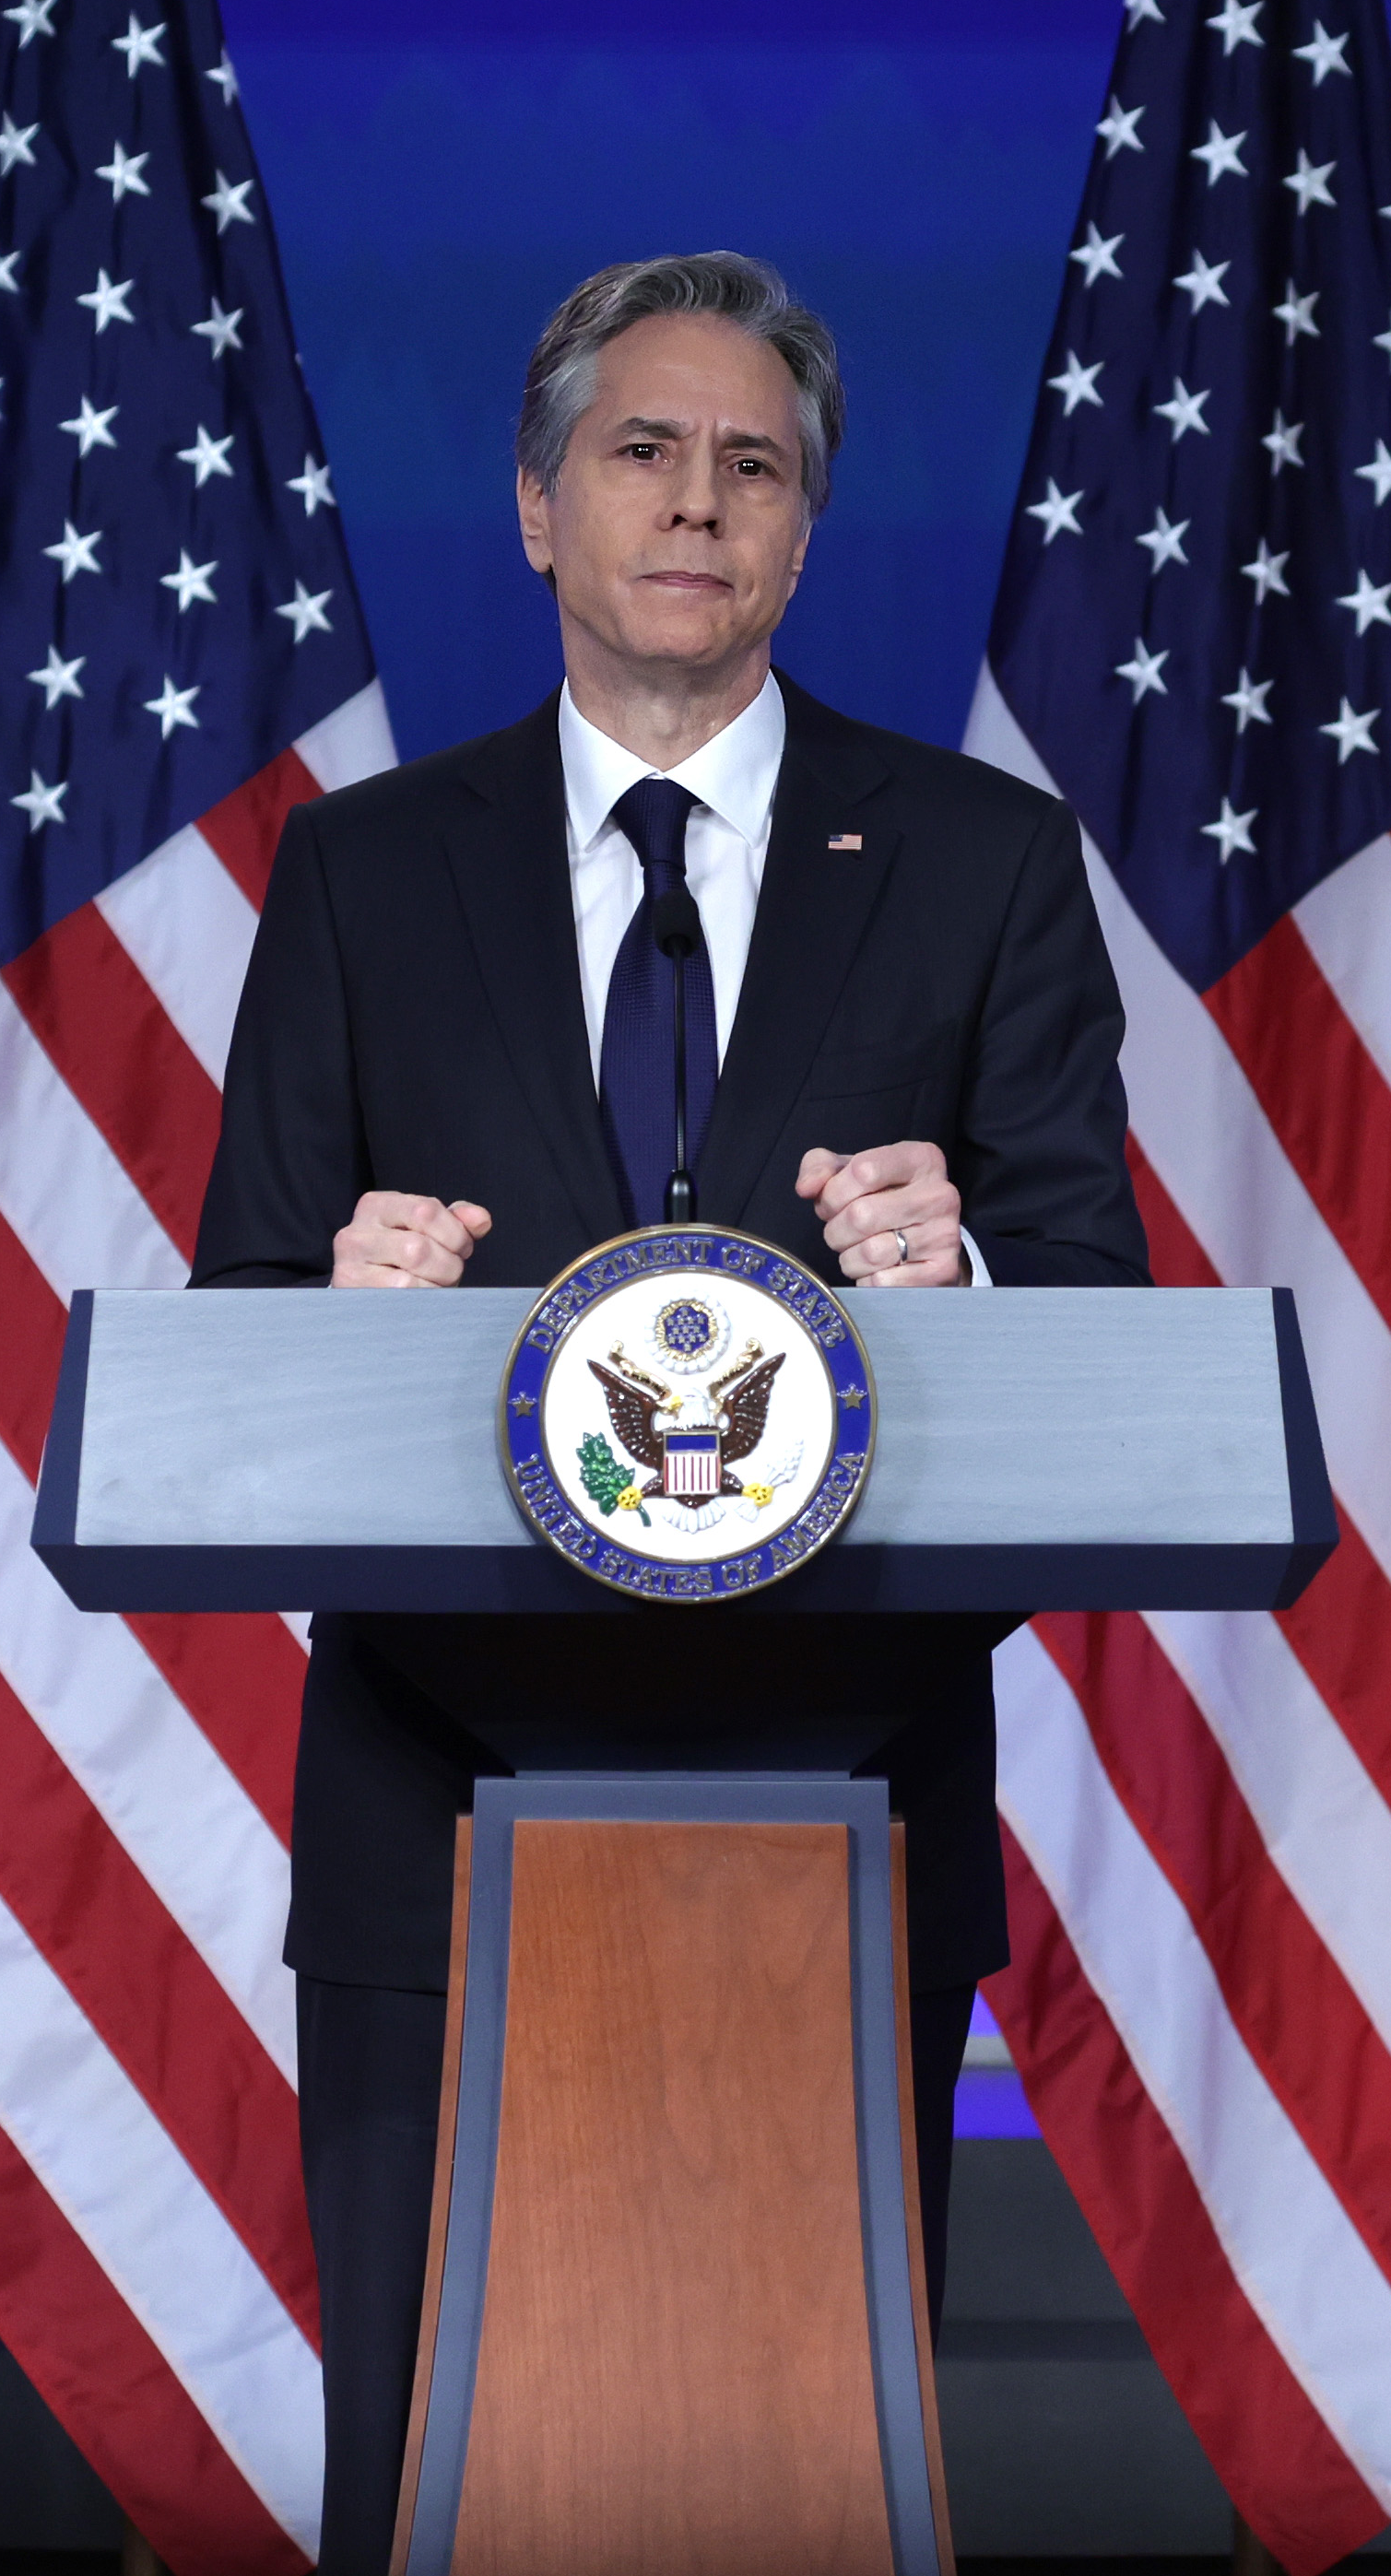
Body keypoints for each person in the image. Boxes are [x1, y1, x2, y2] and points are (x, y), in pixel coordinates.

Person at [192, 249, 1145, 2570]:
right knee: (431, 2476)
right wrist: (343, 1314)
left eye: (753, 467)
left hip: (844, 1803)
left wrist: (957, 1283)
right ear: (537, 507)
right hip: (435, 1812)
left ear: (802, 535)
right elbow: (235, 1334)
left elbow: (1097, 1332)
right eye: (640, 450)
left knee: (801, 2473)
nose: (695, 502)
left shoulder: (980, 863)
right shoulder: (362, 871)